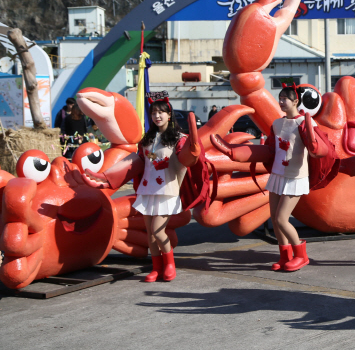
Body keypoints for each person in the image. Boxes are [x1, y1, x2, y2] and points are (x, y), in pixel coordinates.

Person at [212, 83, 339, 272]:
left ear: (296, 101)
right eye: (279, 98)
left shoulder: (306, 122)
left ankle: (301, 256)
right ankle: (285, 256)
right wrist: (233, 151)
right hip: (278, 175)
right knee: (275, 218)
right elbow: (269, 150)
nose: (280, 102)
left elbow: (320, 149)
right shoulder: (277, 123)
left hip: (296, 177)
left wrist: (314, 146)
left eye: (284, 99)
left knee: (281, 219)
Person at [83, 92, 201, 282]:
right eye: (154, 112)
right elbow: (135, 161)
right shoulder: (147, 139)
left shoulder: (179, 138)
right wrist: (107, 176)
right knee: (150, 234)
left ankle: (170, 264)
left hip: (167, 192)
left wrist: (194, 147)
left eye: (161, 112)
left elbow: (188, 157)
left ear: (169, 114)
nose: (157, 116)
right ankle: (156, 268)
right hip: (147, 191)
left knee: (158, 231)